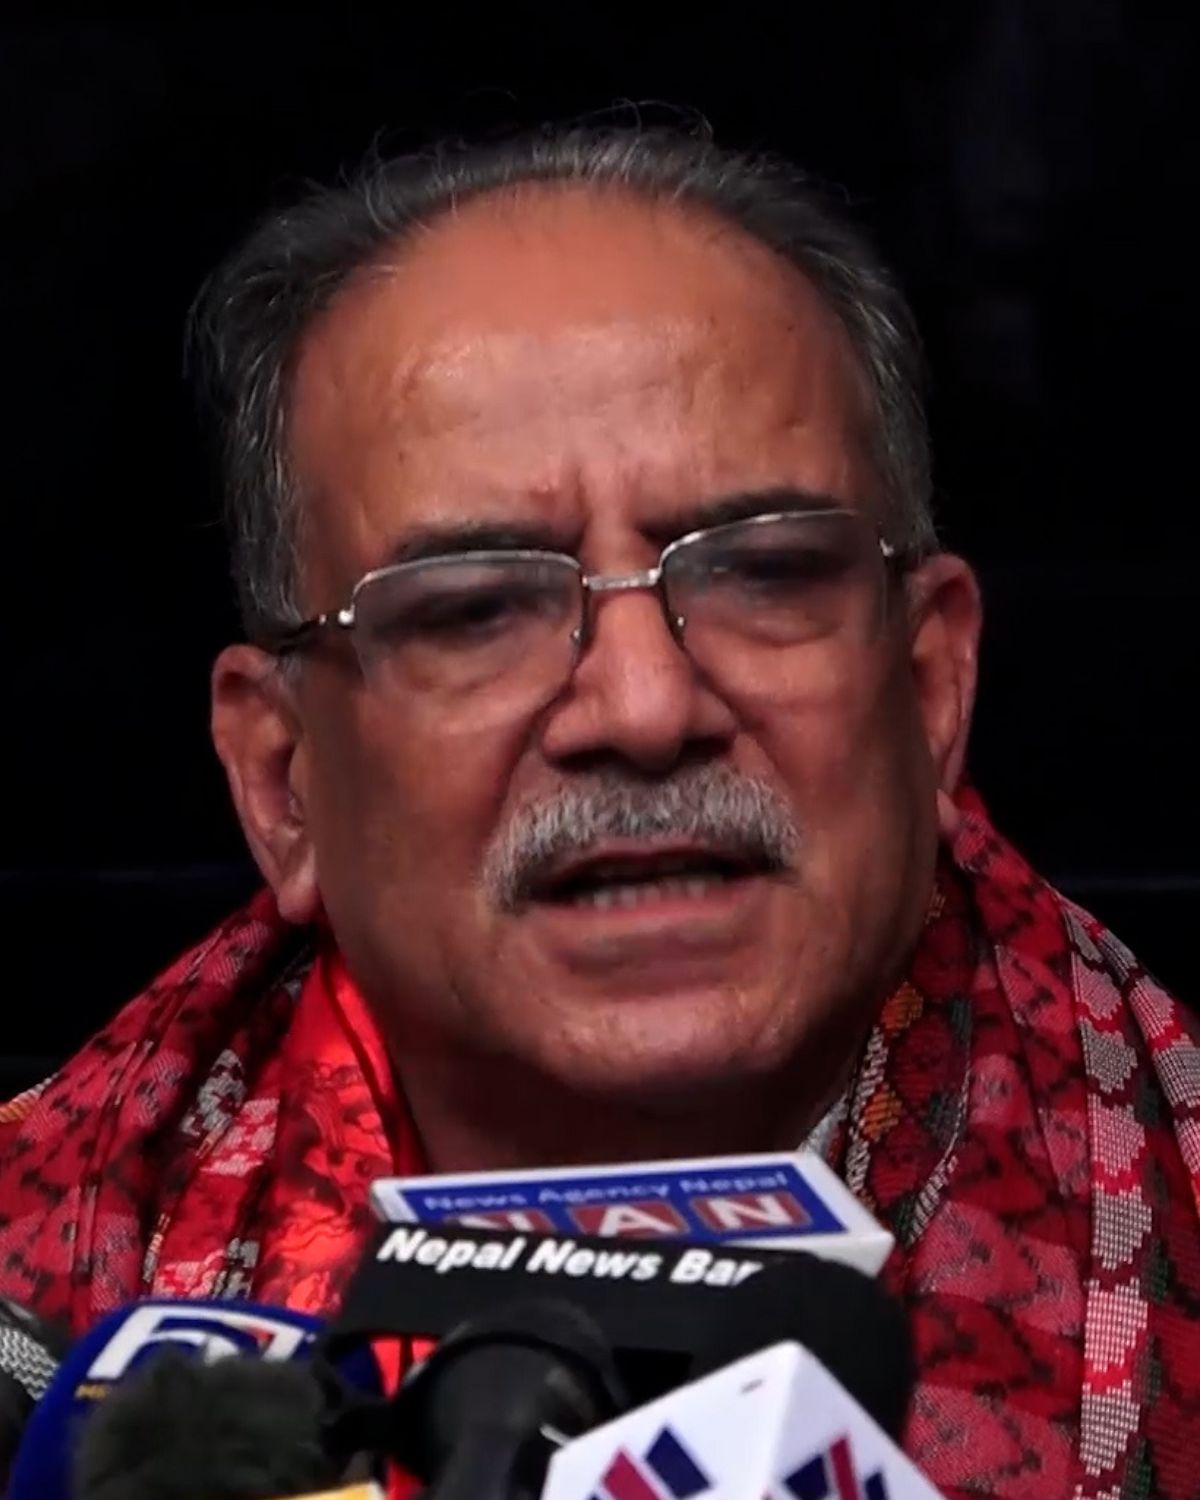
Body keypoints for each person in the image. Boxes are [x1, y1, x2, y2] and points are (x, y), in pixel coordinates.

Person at [0, 124, 1196, 1498]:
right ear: (285, 784)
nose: (644, 706)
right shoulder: (31, 1309)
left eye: (761, 574)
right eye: (474, 610)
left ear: (929, 691)